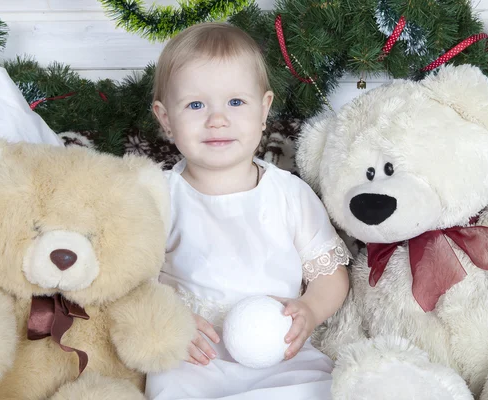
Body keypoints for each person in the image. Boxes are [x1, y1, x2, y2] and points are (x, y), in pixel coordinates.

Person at [145, 22, 351, 400]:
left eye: (236, 102)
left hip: (283, 356)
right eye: (195, 104)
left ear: (263, 110)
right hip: (195, 360)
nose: (217, 119)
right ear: (165, 118)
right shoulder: (158, 196)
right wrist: (168, 322)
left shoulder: (289, 194)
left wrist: (308, 310)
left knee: (323, 389)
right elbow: (134, 283)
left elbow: (330, 277)